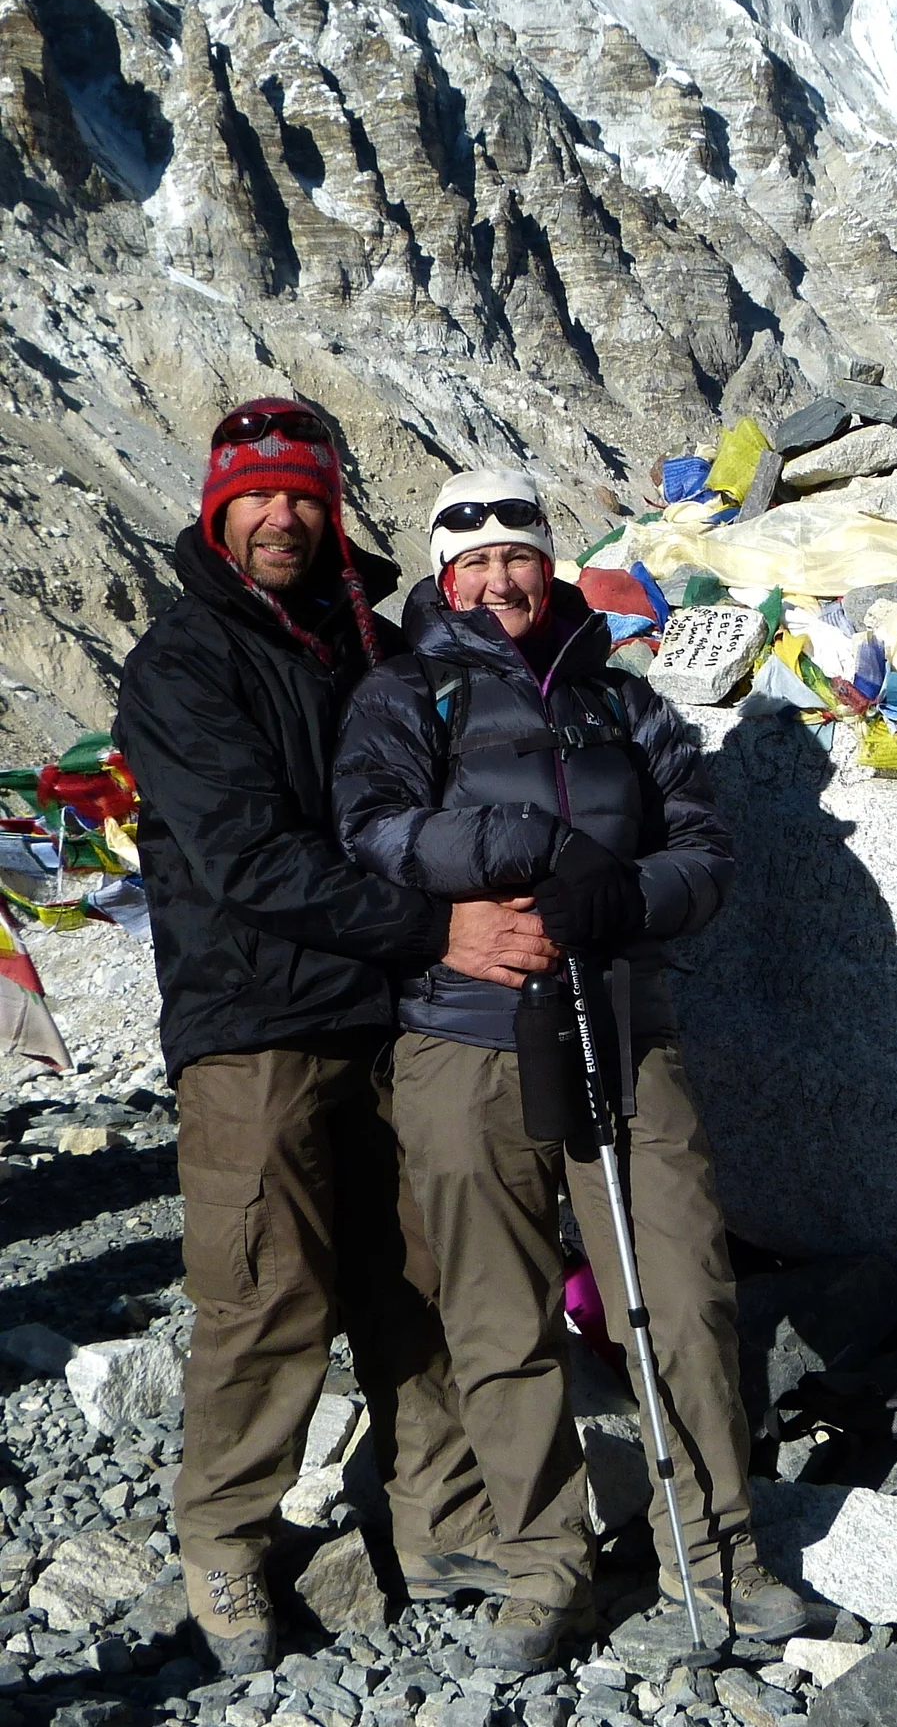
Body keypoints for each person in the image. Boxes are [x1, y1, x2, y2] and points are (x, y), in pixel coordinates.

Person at [332, 465, 808, 1672]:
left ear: (550, 565)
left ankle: (717, 1550)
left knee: (684, 1286)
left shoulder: (622, 697)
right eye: (475, 561)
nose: (500, 579)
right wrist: (532, 844)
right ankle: (546, 1565)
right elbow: (375, 827)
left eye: (520, 555)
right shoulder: (405, 692)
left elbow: (702, 843)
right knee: (497, 1307)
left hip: (621, 1018)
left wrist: (626, 894)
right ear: (444, 575)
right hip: (464, 1034)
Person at [113, 402, 556, 1674]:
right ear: (218, 510)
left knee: (415, 1266)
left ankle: (444, 1517)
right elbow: (248, 860)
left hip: (390, 1007)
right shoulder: (185, 660)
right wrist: (440, 926)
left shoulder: (371, 640)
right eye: (255, 495)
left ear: (331, 504)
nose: (282, 516)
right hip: (255, 1015)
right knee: (266, 1282)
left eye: (303, 494)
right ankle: (226, 1539)